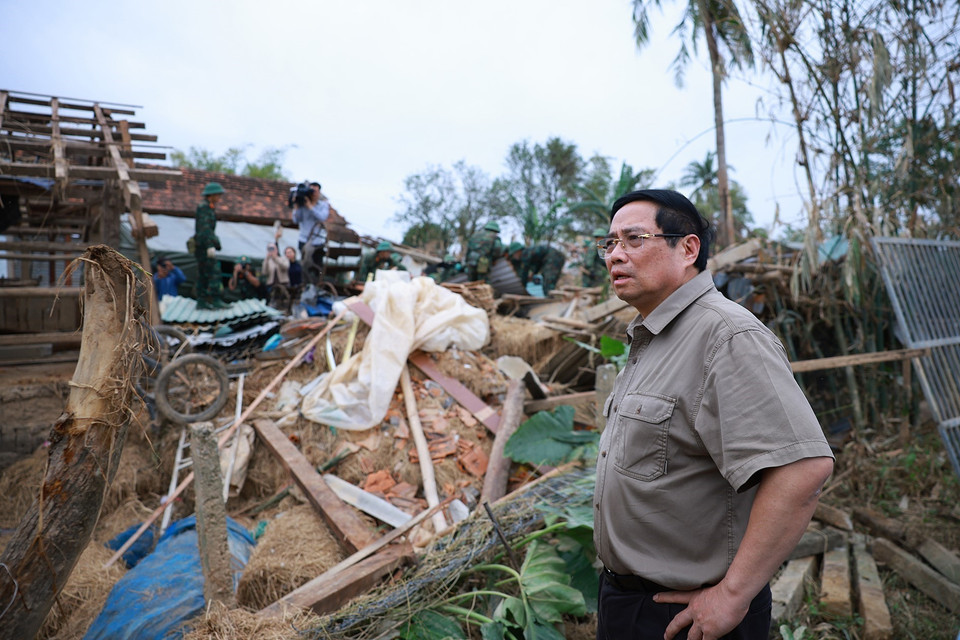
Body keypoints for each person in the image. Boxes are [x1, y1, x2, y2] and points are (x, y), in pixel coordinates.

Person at [594, 189, 834, 640]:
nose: (615, 255)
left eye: (633, 239)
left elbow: (803, 469)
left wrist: (733, 595)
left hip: (688, 617)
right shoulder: (654, 337)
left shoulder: (725, 336)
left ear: (688, 248)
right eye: (609, 244)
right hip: (629, 603)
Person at [194, 182, 228, 309]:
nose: (220, 197)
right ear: (211, 195)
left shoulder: (209, 206)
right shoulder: (204, 207)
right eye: (218, 194)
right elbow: (205, 229)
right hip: (204, 246)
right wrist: (209, 245)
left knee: (203, 273)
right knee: (214, 271)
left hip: (202, 244)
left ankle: (202, 301)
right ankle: (215, 299)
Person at [291, 180, 329, 286]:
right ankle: (305, 285)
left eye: (315, 191)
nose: (313, 193)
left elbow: (322, 217)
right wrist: (296, 207)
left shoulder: (323, 205)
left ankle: (316, 285)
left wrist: (310, 207)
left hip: (318, 241)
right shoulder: (302, 204)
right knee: (305, 264)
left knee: (317, 266)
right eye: (311, 190)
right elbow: (296, 220)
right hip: (304, 240)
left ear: (319, 192)